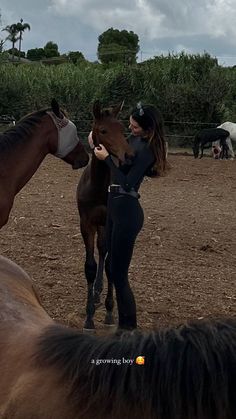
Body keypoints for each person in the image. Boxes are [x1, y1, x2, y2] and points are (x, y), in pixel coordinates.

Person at [94, 103, 167, 331]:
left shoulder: (146, 150)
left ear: (146, 129)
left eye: (134, 126)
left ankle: (129, 329)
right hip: (115, 207)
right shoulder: (134, 143)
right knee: (113, 269)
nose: (130, 128)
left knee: (119, 275)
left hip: (127, 212)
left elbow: (126, 183)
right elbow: (122, 169)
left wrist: (106, 159)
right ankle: (125, 327)